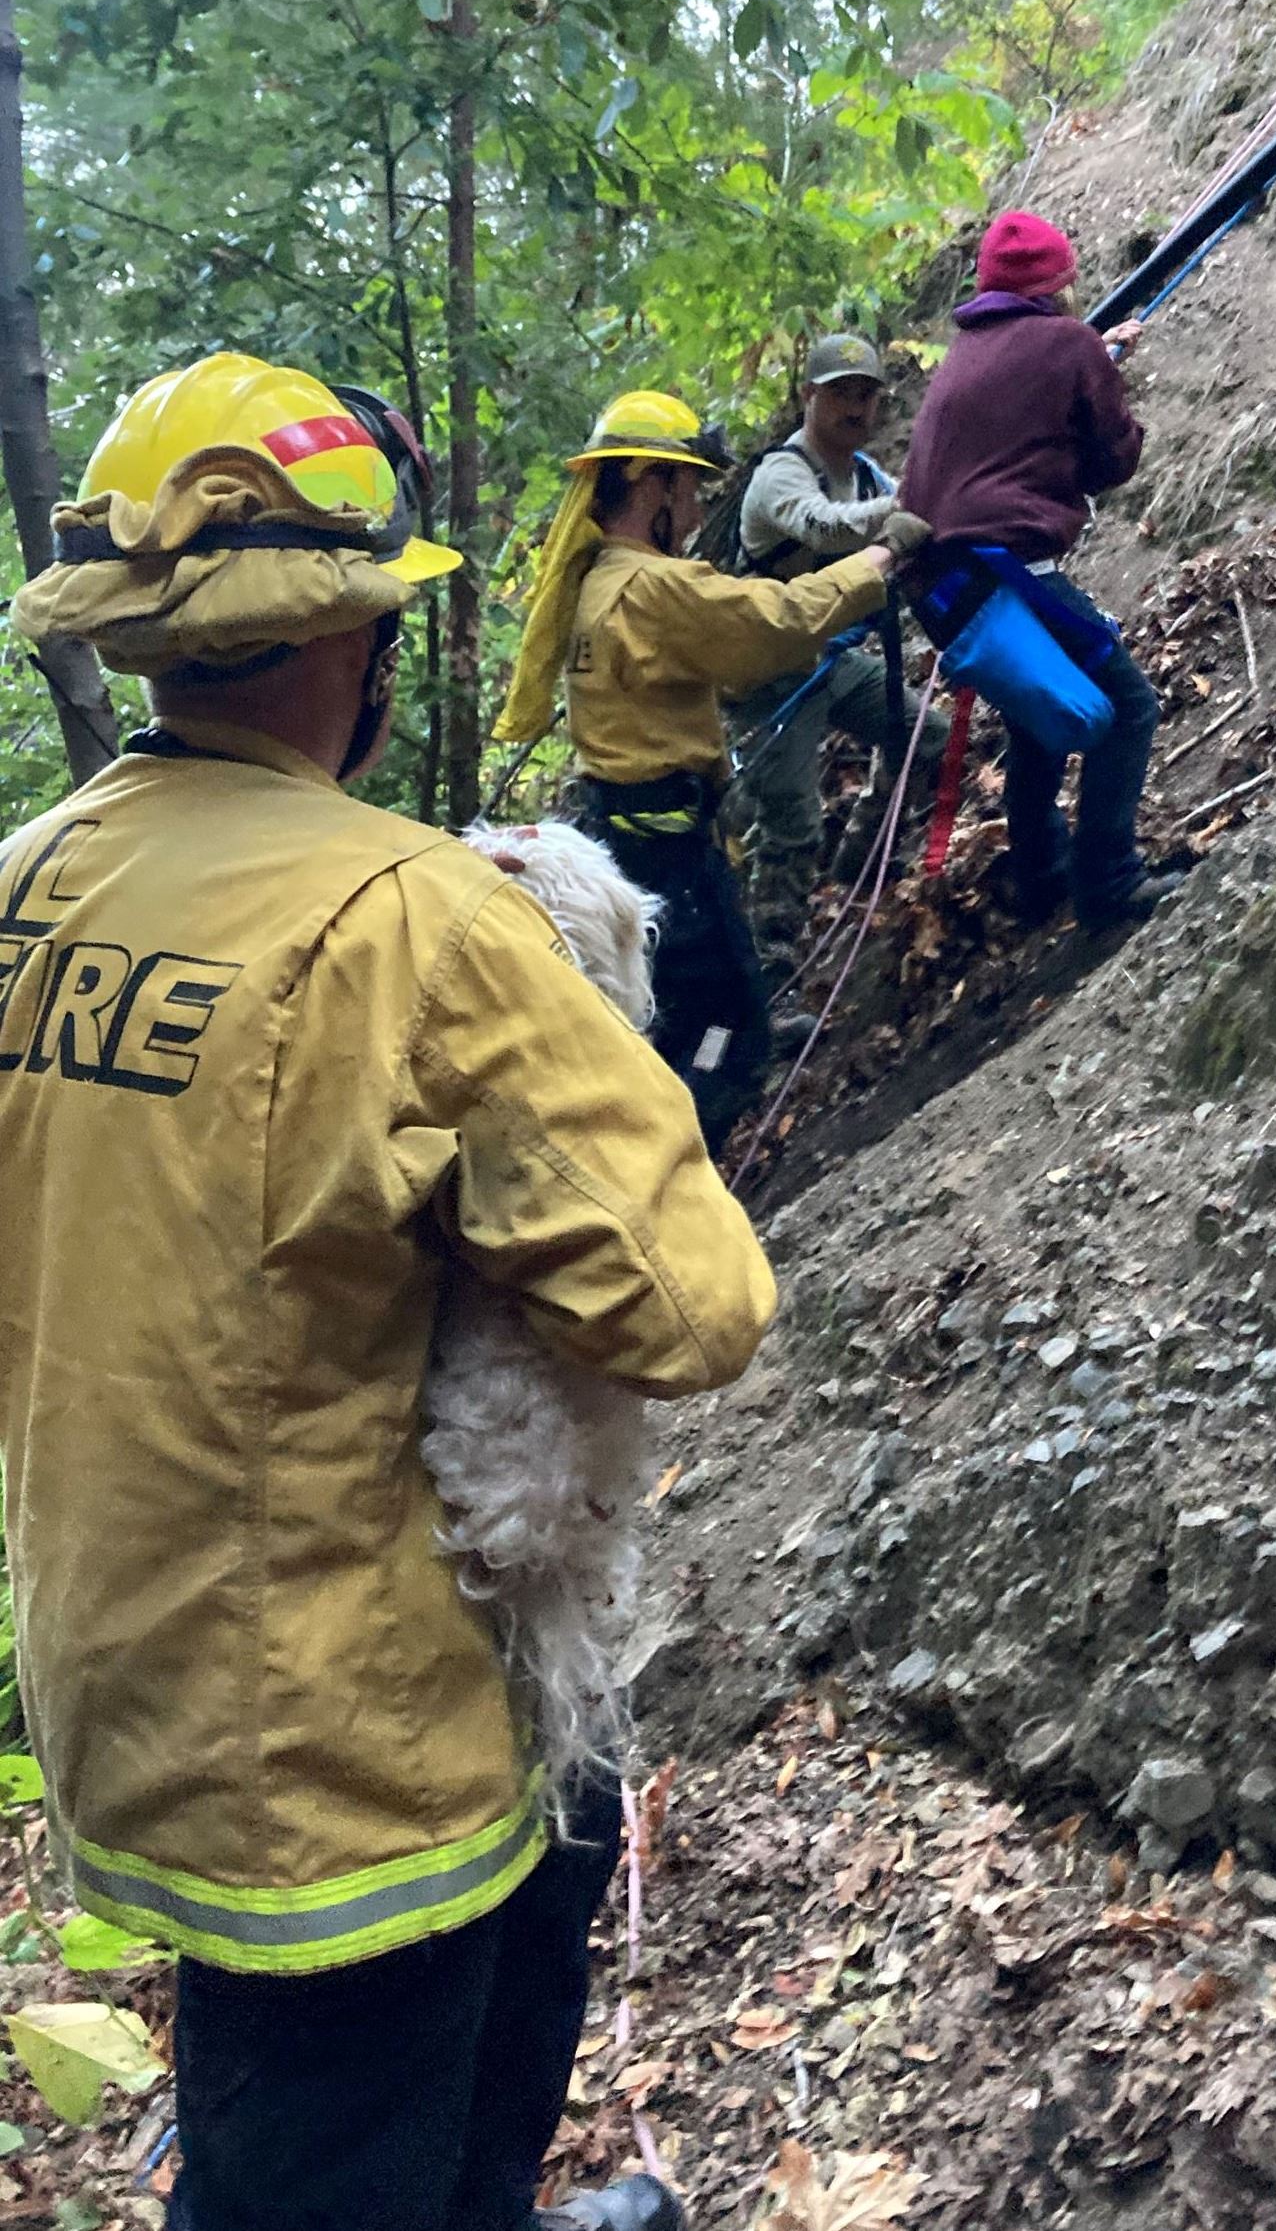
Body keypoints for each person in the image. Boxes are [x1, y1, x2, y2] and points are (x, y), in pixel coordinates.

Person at [1, 351, 774, 2231]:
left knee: (394, 2019)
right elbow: (692, 1309)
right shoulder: (426, 921)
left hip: (123, 1677)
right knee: (324, 2152)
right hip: (359, 1755)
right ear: (353, 636)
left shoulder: (25, 882)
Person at [493, 388, 925, 1149]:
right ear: (653, 486)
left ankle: (707, 1076)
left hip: (640, 834)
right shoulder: (653, 587)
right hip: (671, 851)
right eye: (688, 485)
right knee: (721, 1028)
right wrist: (878, 559)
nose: (697, 505)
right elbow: (773, 626)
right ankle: (691, 1145)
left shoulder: (603, 581)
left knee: (690, 999)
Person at [899, 207, 1184, 935]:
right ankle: (1108, 884)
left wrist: (1090, 361)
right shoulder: (1069, 343)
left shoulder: (965, 353)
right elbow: (1112, 459)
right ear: (1057, 284)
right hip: (1003, 570)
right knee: (1128, 706)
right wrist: (1103, 372)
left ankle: (1040, 877)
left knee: (1038, 714)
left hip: (940, 584)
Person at [728, 334, 942, 978]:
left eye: (866, 396)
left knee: (924, 734)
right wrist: (908, 511)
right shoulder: (781, 475)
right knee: (791, 819)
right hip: (767, 671)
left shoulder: (869, 478)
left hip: (830, 659)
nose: (855, 408)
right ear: (808, 398)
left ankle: (867, 853)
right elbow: (823, 526)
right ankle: (772, 965)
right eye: (841, 393)